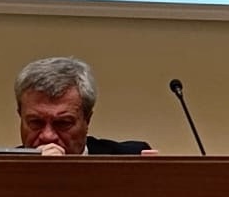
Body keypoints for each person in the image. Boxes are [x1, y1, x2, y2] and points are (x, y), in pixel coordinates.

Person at [14, 56, 155, 156]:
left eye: (63, 123)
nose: (48, 136)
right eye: (35, 122)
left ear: (87, 120)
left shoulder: (131, 159)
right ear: (21, 116)